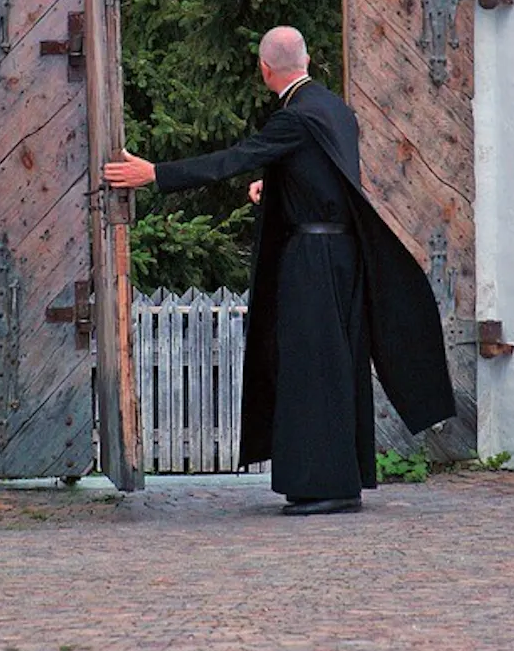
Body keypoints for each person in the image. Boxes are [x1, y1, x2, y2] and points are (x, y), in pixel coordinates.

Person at [104, 26, 455, 515]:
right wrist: (279, 191)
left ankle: (331, 487)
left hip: (313, 263)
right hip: (338, 255)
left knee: (313, 368)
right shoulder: (333, 109)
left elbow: (235, 158)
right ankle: (331, 480)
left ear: (265, 69)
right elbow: (329, 176)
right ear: (306, 59)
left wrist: (156, 175)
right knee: (330, 364)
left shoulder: (295, 117)